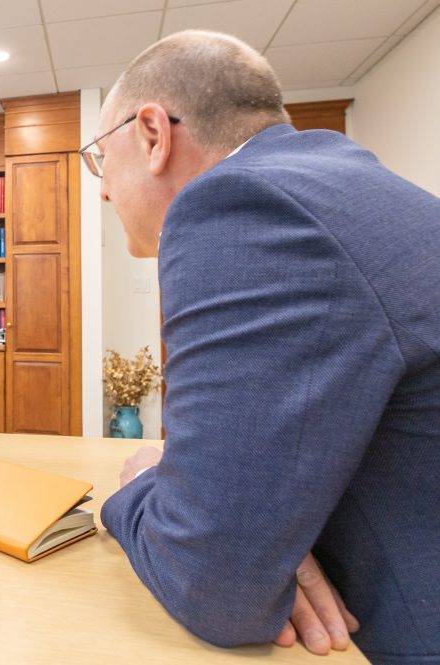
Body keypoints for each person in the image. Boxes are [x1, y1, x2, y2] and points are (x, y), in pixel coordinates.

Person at [84, 30, 440, 665]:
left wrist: (140, 486)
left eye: (98, 160)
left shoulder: (240, 205)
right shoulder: (333, 181)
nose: (104, 190)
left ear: (152, 134)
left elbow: (213, 585)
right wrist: (251, 530)